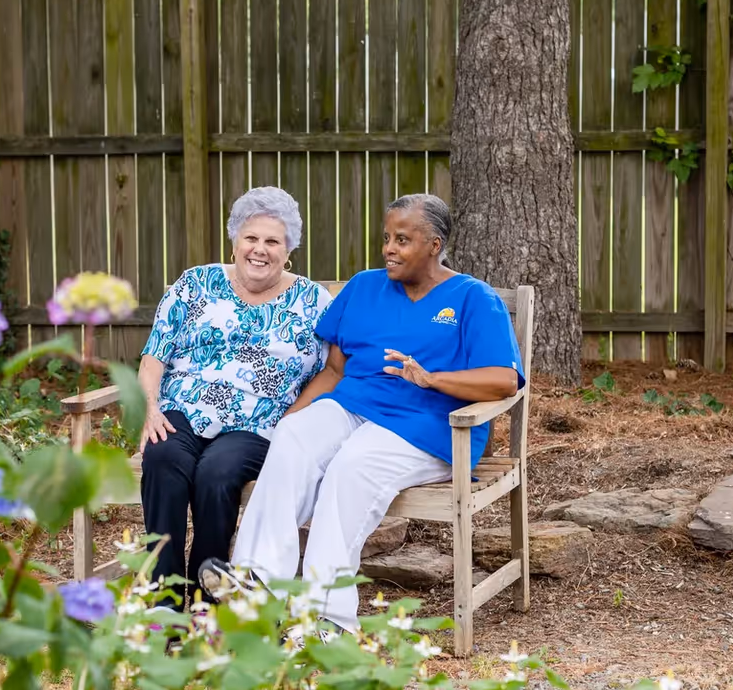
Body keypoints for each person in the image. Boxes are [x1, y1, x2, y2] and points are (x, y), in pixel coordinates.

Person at [197, 193, 526, 636]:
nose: (389, 248)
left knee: (351, 467)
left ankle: (326, 619)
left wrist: (433, 380)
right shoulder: (364, 287)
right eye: (387, 237)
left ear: (434, 244)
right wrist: (290, 420)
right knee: (295, 436)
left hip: (427, 425)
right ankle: (257, 588)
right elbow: (335, 369)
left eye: (403, 240)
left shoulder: (473, 298)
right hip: (353, 407)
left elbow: (504, 380)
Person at [138, 186, 332, 608]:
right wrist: (150, 408)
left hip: (258, 422)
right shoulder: (195, 283)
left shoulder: (314, 302)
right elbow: (154, 356)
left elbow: (332, 371)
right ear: (234, 241)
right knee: (163, 458)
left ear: (289, 249)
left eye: (272, 241)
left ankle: (212, 599)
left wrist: (293, 419)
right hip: (183, 409)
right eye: (251, 238)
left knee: (217, 474)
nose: (259, 250)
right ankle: (165, 602)